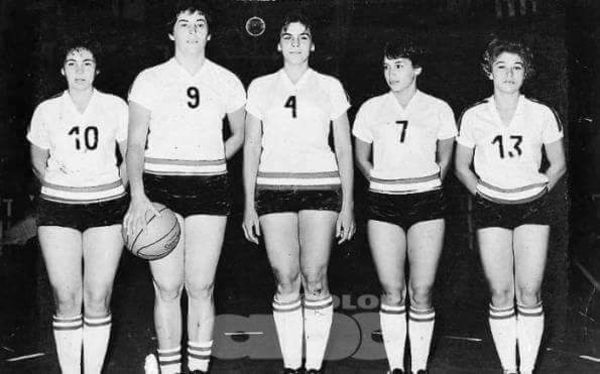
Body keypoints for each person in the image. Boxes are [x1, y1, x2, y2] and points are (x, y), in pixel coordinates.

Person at [122, 1, 246, 373]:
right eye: (183, 23)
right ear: (171, 32)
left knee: (201, 287)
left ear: (209, 33)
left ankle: (197, 369)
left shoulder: (226, 79)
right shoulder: (149, 79)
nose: (192, 30)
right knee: (167, 287)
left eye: (199, 23)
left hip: (209, 186)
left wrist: (211, 160)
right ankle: (171, 368)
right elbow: (133, 144)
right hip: (160, 188)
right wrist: (138, 196)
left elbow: (240, 134)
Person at [242, 13, 355, 374]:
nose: (295, 43)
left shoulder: (330, 86)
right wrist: (248, 204)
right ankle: (292, 365)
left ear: (312, 44)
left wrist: (349, 204)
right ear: (277, 44)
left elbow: (343, 148)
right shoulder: (260, 86)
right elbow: (252, 147)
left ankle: (314, 366)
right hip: (273, 186)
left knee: (315, 276)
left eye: (302, 37)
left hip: (321, 185)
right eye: (288, 37)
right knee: (284, 276)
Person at [454, 38, 566, 374]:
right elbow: (461, 166)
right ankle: (509, 368)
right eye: (502, 66)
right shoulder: (474, 115)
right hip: (492, 207)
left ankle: (527, 370)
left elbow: (557, 163)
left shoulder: (542, 113)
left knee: (529, 291)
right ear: (490, 70)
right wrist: (483, 193)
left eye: (517, 67)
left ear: (525, 73)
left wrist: (537, 189)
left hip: (532, 207)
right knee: (501, 292)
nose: (509, 74)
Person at [353, 38, 457, 374]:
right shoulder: (371, 108)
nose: (391, 73)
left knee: (422, 290)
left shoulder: (438, 108)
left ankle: (420, 367)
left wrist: (423, 181)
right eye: (386, 66)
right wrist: (383, 180)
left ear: (417, 68)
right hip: (383, 203)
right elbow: (360, 157)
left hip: (427, 201)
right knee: (392, 289)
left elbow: (445, 159)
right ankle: (396, 366)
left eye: (398, 65)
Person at [27, 38, 128, 374]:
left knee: (98, 297)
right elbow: (38, 162)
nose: (80, 70)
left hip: (106, 207)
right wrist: (66, 187)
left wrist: (116, 190)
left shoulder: (115, 106)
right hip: (59, 209)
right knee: (66, 299)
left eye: (87, 63)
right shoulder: (46, 110)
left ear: (97, 69)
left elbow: (131, 156)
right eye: (72, 63)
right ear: (62, 70)